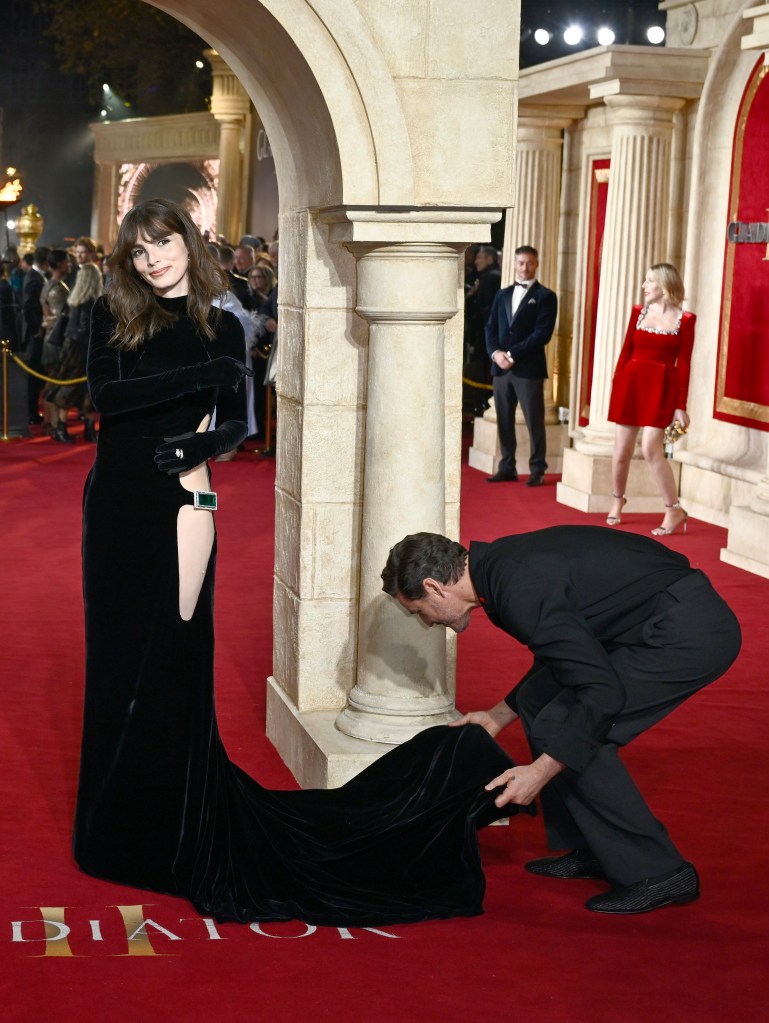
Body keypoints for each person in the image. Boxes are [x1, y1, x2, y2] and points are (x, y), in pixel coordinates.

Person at [73, 197, 528, 928]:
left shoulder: (219, 324)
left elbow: (231, 420)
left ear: (188, 243)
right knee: (117, 660)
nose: (153, 258)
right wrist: (203, 376)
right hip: (115, 508)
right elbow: (105, 395)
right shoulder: (114, 316)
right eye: (139, 251)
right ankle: (113, 827)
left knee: (172, 660)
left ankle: (167, 821)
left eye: (163, 243)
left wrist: (202, 440)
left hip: (182, 508)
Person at [381, 528, 741, 914]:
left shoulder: (517, 587)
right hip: (642, 621)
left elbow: (602, 695)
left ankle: (661, 872)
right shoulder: (494, 572)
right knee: (540, 701)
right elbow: (563, 655)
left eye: (420, 611)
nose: (427, 623)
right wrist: (497, 716)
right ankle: (597, 847)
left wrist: (540, 771)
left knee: (568, 727)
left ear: (434, 587)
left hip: (685, 633)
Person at [607, 263, 696, 536]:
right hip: (631, 385)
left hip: (661, 389)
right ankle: (617, 500)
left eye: (649, 281)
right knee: (621, 451)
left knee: (650, 450)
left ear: (664, 285)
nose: (644, 286)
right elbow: (625, 352)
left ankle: (673, 509)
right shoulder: (638, 312)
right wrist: (617, 383)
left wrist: (681, 405)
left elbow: (685, 364)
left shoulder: (686, 319)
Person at [485, 245, 557, 487]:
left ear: (536, 265)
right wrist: (495, 354)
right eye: (520, 263)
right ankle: (507, 466)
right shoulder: (502, 294)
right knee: (503, 418)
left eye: (529, 263)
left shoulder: (547, 296)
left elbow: (542, 334)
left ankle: (537, 469)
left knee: (534, 420)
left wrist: (512, 354)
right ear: (514, 264)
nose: (524, 267)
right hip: (500, 369)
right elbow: (490, 328)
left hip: (528, 368)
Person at [45, 261, 103, 442]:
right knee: (79, 388)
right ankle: (85, 430)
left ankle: (65, 428)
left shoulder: (73, 301)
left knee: (69, 386)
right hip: (84, 349)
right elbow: (88, 330)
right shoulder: (92, 303)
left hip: (70, 346)